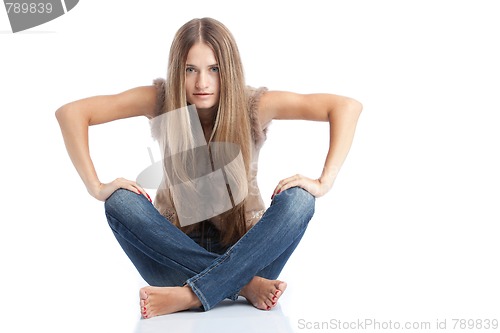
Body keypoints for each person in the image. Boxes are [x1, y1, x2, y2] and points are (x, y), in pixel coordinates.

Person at [55, 17, 362, 319]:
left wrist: (325, 181)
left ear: (228, 69)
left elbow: (345, 107)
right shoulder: (161, 100)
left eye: (213, 70)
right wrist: (96, 187)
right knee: (119, 201)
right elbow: (72, 113)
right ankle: (243, 286)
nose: (202, 83)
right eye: (191, 70)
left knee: (300, 199)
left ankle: (191, 294)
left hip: (251, 254)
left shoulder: (252, 103)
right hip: (171, 258)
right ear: (179, 71)